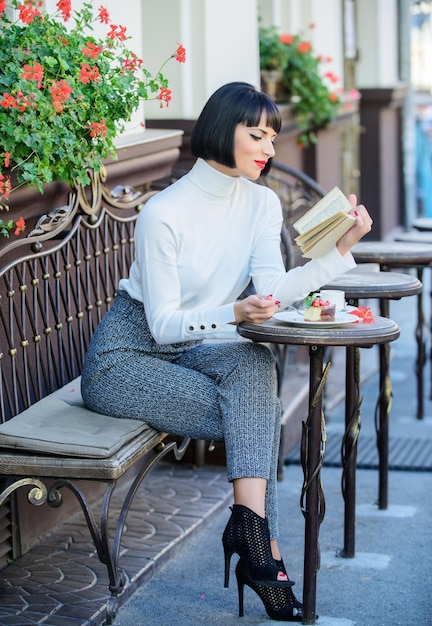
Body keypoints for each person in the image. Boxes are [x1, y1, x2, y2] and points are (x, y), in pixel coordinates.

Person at [81, 81, 372, 621]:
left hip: (205, 344)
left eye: (273, 138)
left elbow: (272, 286)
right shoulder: (163, 213)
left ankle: (253, 539)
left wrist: (338, 253)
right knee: (254, 419)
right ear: (221, 131)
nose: (268, 148)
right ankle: (266, 556)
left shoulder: (261, 203)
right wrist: (235, 315)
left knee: (254, 369)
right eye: (256, 135)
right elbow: (164, 325)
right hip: (128, 358)